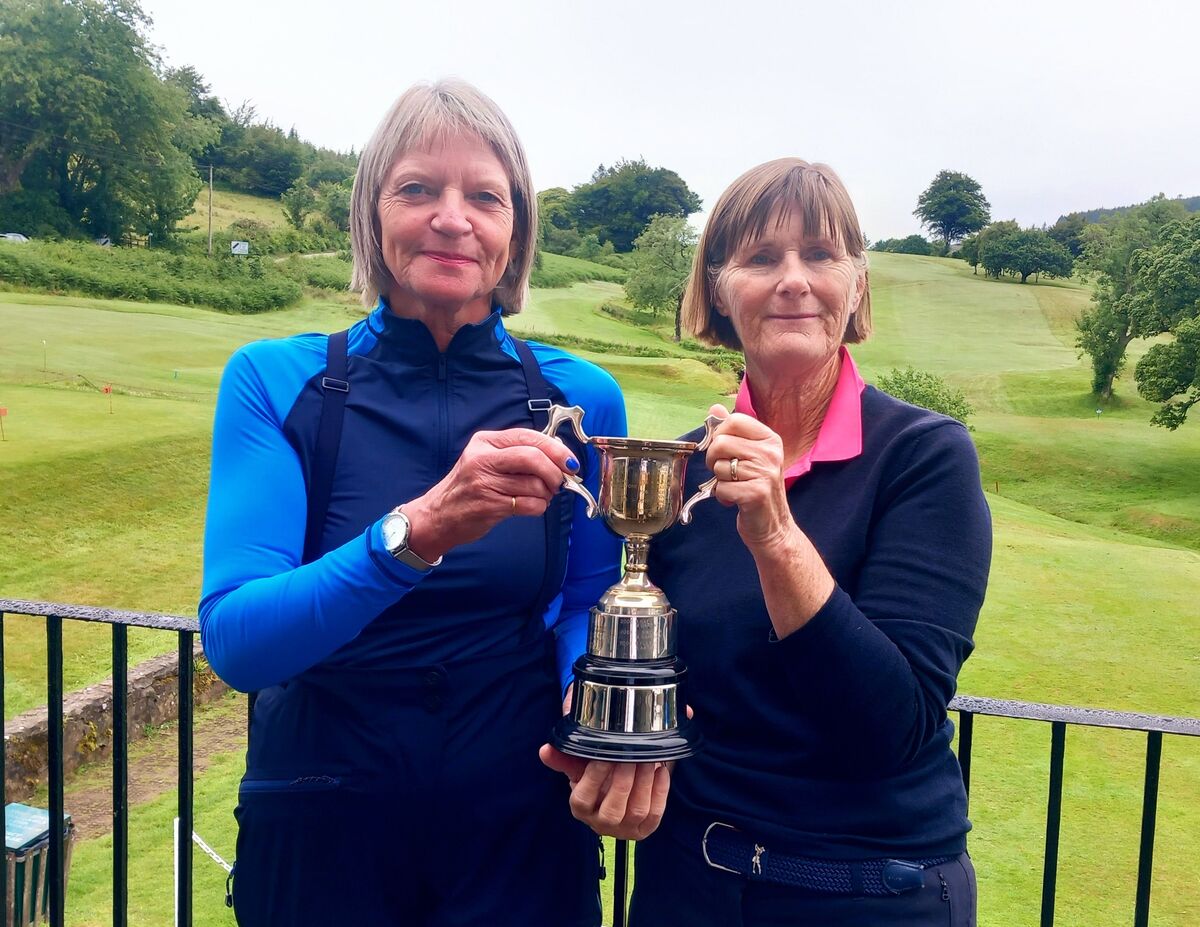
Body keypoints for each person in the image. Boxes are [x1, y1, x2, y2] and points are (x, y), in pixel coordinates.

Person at [199, 79, 627, 927]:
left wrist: (598, 692)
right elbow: (240, 642)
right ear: (373, 214)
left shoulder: (579, 399)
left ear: (516, 231)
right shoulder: (279, 381)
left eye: (485, 196)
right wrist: (415, 531)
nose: (453, 217)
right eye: (418, 188)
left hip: (517, 825)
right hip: (323, 817)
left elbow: (589, 596)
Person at [624, 159, 992, 926]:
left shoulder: (924, 455)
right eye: (761, 258)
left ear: (855, 284)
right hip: (688, 886)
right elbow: (664, 682)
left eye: (820, 254)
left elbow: (894, 727)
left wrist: (776, 533)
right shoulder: (681, 473)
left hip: (870, 893)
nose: (793, 278)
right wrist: (608, 750)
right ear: (719, 290)